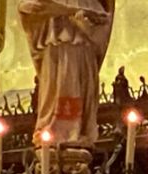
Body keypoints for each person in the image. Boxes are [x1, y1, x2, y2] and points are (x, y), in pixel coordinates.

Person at [18, 0, 113, 149]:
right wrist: (61, 10)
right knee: (56, 89)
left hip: (82, 52)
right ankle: (55, 132)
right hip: (55, 51)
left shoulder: (91, 4)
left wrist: (75, 15)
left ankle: (77, 131)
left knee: (76, 87)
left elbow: (102, 25)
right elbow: (27, 9)